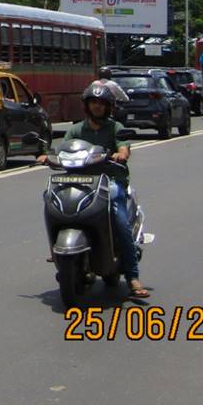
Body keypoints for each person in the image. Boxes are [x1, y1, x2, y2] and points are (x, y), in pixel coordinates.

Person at [38, 81, 147, 299]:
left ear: (109, 107)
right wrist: (47, 157)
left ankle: (133, 276)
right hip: (79, 181)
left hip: (109, 181)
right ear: (87, 106)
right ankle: (58, 253)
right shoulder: (77, 130)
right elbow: (62, 150)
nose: (97, 106)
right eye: (93, 102)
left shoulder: (115, 128)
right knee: (51, 199)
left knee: (119, 220)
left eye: (102, 103)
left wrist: (120, 154)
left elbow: (124, 147)